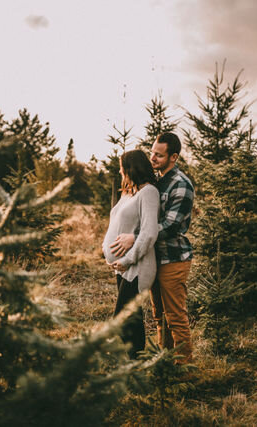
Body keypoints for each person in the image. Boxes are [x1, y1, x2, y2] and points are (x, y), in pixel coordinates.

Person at [110, 132, 195, 363]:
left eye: (159, 155)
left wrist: (134, 237)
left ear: (173, 157)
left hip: (173, 258)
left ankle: (184, 365)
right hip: (153, 258)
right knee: (159, 316)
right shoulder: (156, 181)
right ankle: (163, 359)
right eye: (152, 153)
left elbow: (171, 225)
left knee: (175, 315)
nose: (153, 158)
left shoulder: (181, 185)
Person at [102, 149, 160, 358]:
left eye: (122, 167)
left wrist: (127, 259)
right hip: (122, 267)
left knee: (123, 315)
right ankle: (136, 359)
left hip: (138, 265)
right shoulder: (129, 192)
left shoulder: (149, 193)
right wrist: (106, 249)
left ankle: (118, 355)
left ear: (131, 168)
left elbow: (149, 232)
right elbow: (115, 222)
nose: (120, 171)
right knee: (132, 316)